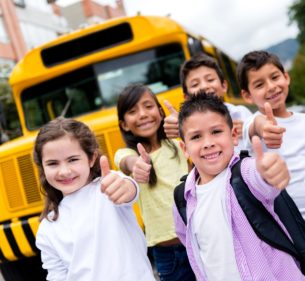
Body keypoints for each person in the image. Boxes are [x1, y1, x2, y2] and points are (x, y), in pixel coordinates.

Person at [173, 92, 305, 281]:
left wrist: (269, 171)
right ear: (184, 148)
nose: (208, 143)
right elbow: (189, 243)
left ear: (234, 135)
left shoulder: (245, 172)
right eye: (196, 137)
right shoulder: (182, 197)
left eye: (216, 132)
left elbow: (262, 179)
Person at [34, 117, 155, 281]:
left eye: (73, 160)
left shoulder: (108, 187)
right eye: (53, 163)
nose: (64, 171)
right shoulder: (47, 229)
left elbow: (128, 189)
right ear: (42, 167)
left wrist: (124, 187)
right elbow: (57, 276)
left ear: (91, 158)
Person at [114, 84, 196, 281]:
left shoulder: (179, 145)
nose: (142, 114)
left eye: (148, 106)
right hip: (169, 255)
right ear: (124, 124)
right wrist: (137, 166)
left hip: (200, 240)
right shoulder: (128, 154)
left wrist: (185, 128)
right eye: (132, 111)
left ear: (160, 112)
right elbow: (125, 162)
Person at [237, 50, 305, 218]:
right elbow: (255, 126)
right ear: (247, 95)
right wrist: (263, 127)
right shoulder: (253, 123)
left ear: (286, 77)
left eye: (275, 77)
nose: (271, 87)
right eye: (259, 84)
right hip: (290, 224)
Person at [164, 53, 252, 152]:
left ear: (224, 86)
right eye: (195, 84)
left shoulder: (241, 114)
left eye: (210, 79)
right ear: (186, 97)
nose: (204, 86)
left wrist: (249, 130)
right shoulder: (187, 127)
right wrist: (181, 127)